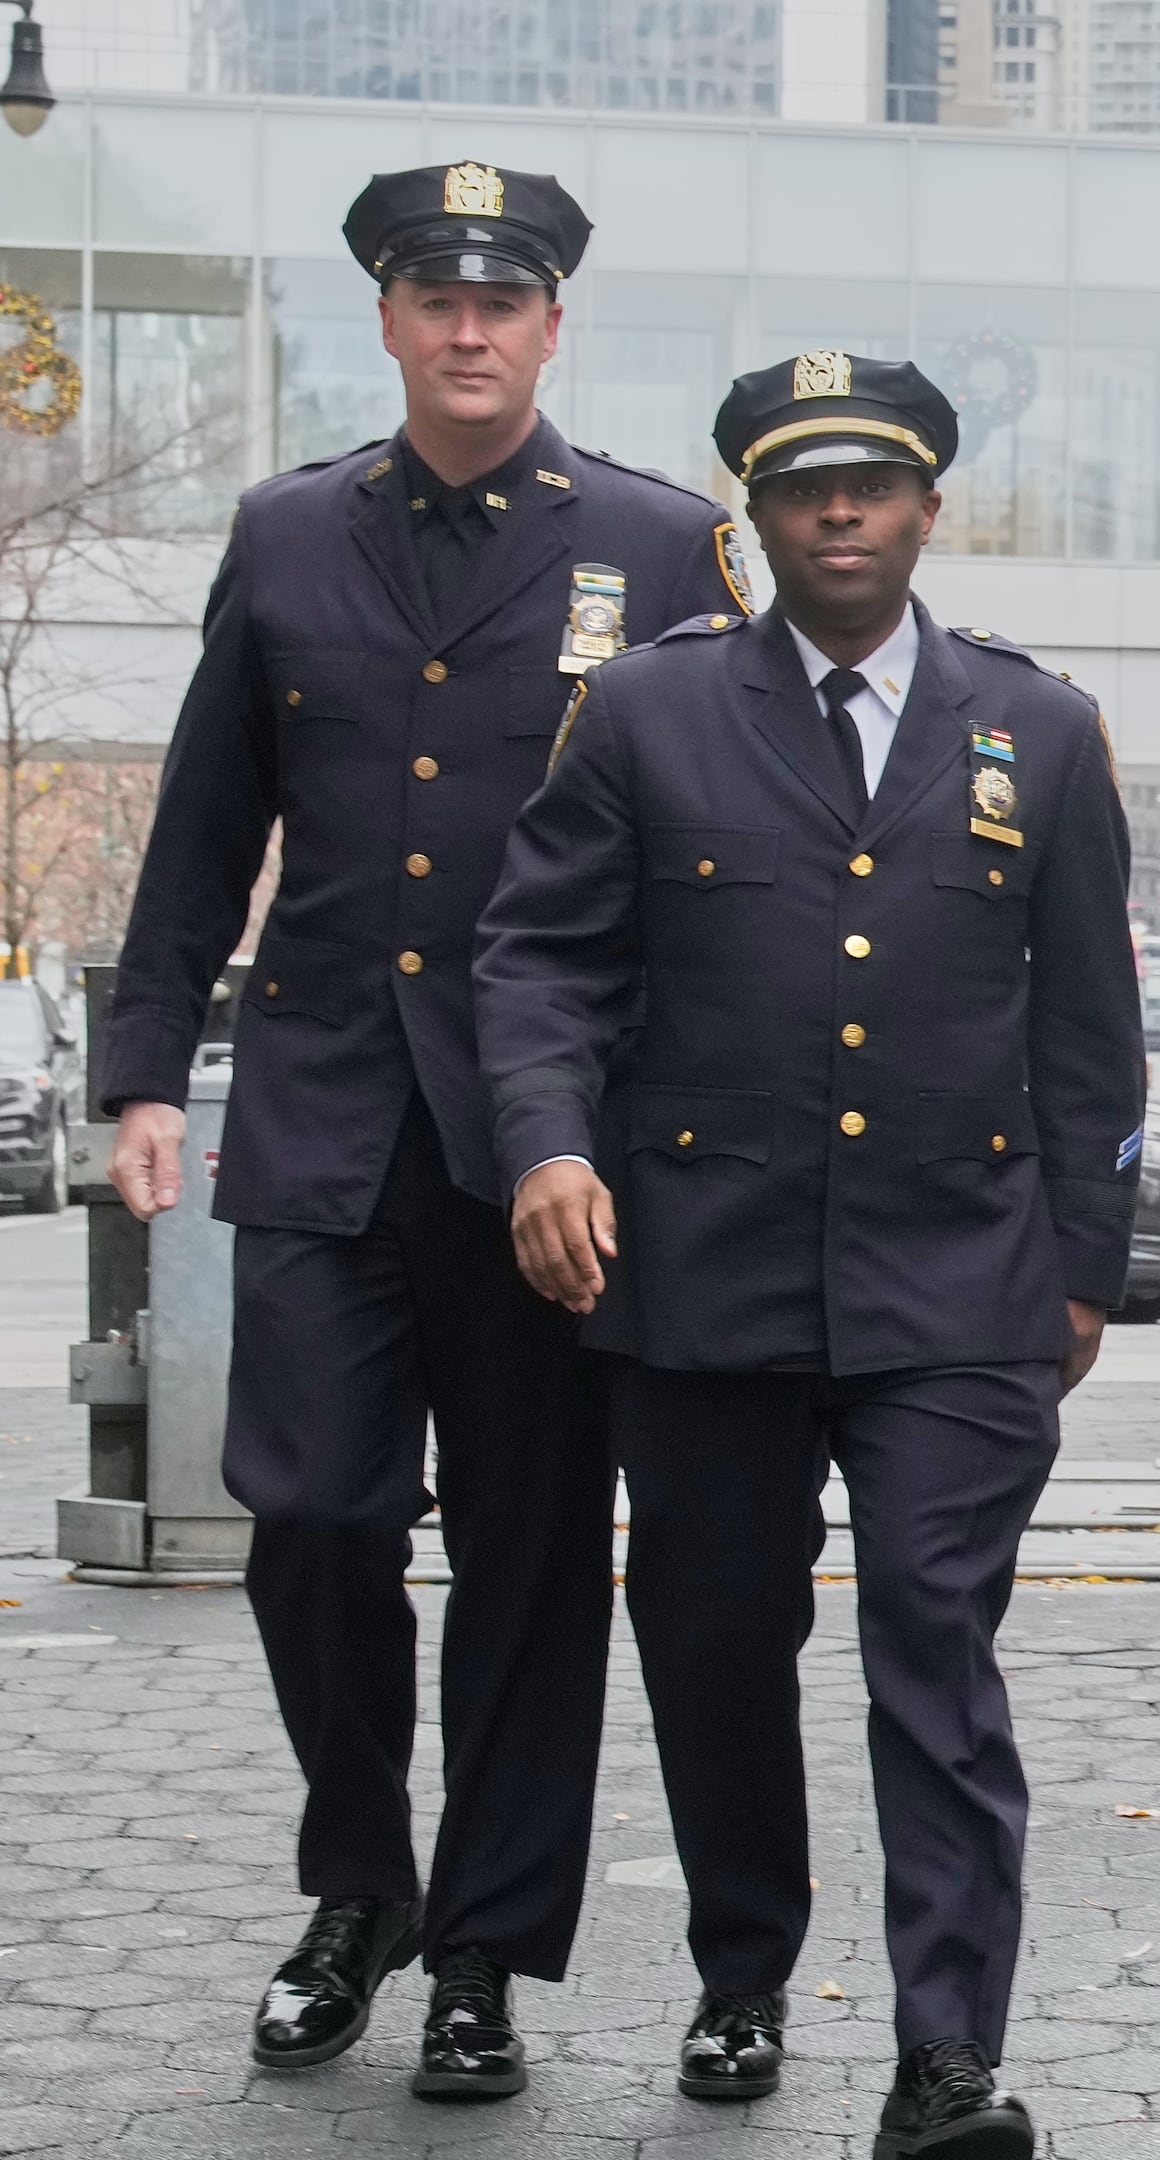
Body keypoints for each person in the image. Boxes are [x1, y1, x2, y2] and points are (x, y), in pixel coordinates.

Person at [94, 160, 742, 2101]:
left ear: (554, 327)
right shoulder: (288, 538)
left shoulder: (660, 542)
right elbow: (211, 819)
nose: (468, 329)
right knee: (311, 1516)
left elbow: (711, 860)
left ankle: (482, 1953)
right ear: (385, 321)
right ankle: (358, 1882)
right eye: (432, 298)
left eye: (504, 301)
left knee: (535, 1559)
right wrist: (140, 1067)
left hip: (550, 1151)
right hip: (319, 1115)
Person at [476, 353, 1144, 2160]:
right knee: (714, 1640)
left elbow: (1091, 1024)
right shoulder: (641, 715)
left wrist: (1084, 1265)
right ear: (757, 521)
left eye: (873, 487)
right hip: (703, 1280)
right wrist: (544, 1145)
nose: (838, 514)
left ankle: (947, 2059)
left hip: (961, 1285)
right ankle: (744, 1964)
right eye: (800, 491)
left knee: (937, 1646)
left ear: (930, 508)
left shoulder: (1044, 729)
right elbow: (539, 966)